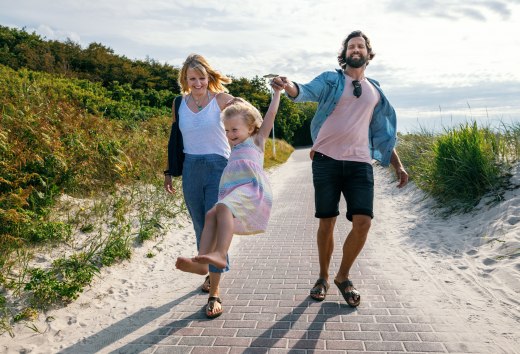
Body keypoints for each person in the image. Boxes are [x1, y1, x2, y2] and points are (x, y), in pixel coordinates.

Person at [271, 30, 409, 307]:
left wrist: (398, 165)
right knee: (327, 221)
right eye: (351, 47)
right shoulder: (331, 80)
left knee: (363, 222)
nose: (355, 50)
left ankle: (342, 276)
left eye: (360, 46)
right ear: (344, 53)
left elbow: (382, 133)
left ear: (368, 54)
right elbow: (304, 91)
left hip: (360, 162)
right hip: (326, 159)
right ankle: (322, 277)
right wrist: (288, 85)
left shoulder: (375, 90)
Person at [175, 84, 282, 318]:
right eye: (226, 131)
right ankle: (202, 261)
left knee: (221, 208)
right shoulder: (231, 147)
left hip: (252, 190)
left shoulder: (257, 140)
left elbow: (271, 115)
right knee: (212, 214)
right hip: (233, 191)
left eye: (235, 130)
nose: (230, 135)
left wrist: (276, 94)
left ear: (251, 127)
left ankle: (220, 254)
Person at [164, 54, 234, 295]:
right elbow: (175, 140)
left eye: (201, 78)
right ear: (184, 79)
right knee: (201, 226)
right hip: (191, 169)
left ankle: (214, 292)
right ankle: (208, 268)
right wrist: (169, 172)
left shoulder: (221, 99)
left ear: (209, 78)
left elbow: (248, 118)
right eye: (192, 78)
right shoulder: (178, 103)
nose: (197, 83)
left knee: (213, 227)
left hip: (219, 167)